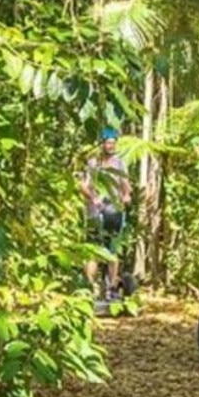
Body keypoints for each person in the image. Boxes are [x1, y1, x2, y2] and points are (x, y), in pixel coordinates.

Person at [79, 126, 132, 299]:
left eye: (112, 142)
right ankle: (91, 288)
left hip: (114, 212)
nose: (110, 145)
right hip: (96, 213)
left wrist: (126, 195)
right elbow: (83, 186)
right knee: (94, 251)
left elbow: (126, 185)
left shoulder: (120, 163)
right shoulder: (93, 163)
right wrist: (93, 198)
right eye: (107, 142)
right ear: (102, 144)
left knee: (112, 251)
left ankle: (111, 289)